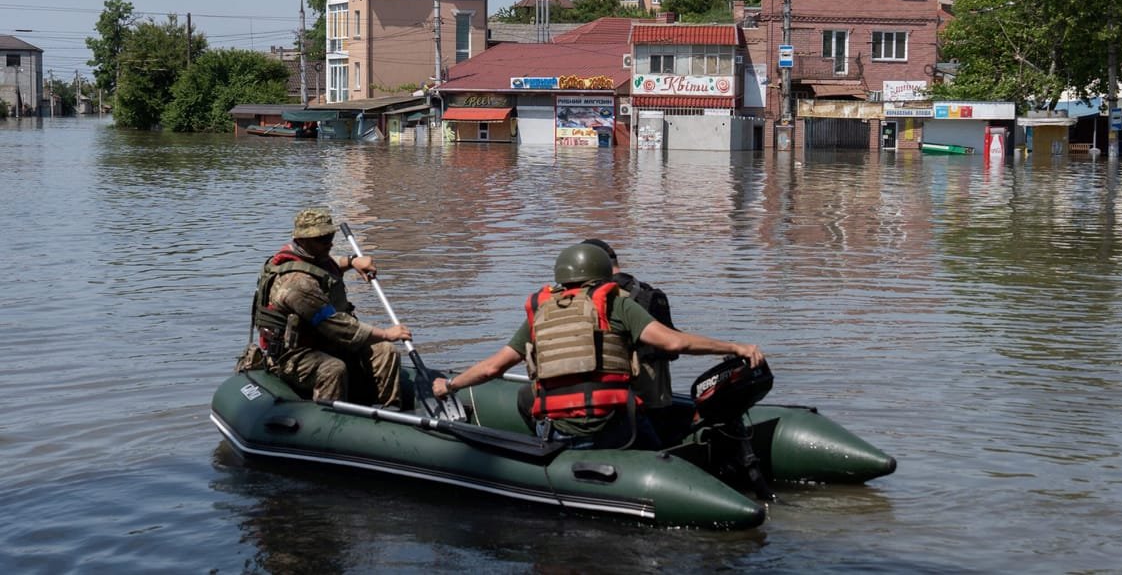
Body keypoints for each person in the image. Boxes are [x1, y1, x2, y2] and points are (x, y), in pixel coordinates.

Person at [432, 243, 764, 450]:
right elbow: (675, 341)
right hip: (614, 427)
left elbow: (494, 367)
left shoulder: (541, 310)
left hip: (562, 432)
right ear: (604, 274)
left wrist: (450, 384)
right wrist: (735, 347)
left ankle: (547, 453)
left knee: (527, 397)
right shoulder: (616, 303)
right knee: (659, 444)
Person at [252, 207, 412, 407]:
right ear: (303, 240)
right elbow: (337, 326)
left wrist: (353, 261)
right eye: (321, 239)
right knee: (333, 368)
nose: (329, 243)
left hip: (324, 342)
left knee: (386, 351)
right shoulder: (297, 284)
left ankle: (390, 412)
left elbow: (328, 265)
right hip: (292, 356)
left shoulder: (312, 257)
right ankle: (332, 423)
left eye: (330, 236)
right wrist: (387, 333)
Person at [579, 238, 684, 443]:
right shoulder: (645, 290)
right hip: (661, 393)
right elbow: (672, 342)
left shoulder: (608, 298)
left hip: (629, 395)